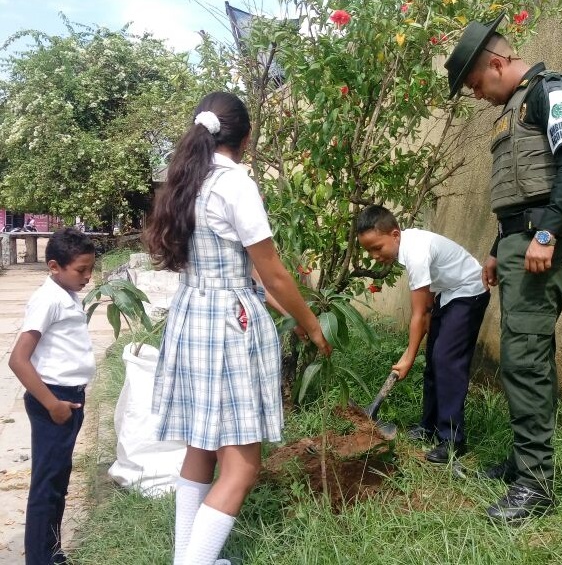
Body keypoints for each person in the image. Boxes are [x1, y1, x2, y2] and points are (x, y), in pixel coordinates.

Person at [144, 92, 331, 565]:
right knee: (243, 466)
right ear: (245, 137)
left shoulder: (187, 181)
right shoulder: (235, 184)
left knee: (201, 447)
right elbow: (273, 273)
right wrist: (310, 325)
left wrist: (282, 306)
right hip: (228, 324)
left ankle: (185, 558)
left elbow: (240, 270)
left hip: (191, 316)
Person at [444, 13, 562, 523]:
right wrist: (497, 245)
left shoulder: (551, 93)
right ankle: (524, 462)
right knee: (523, 358)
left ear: (497, 62)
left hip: (542, 247)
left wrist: (548, 233)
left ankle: (536, 484)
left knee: (523, 361)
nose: (476, 94)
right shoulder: (515, 108)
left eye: (474, 83)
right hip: (520, 245)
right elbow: (519, 193)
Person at [356, 205, 490, 463]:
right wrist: (427, 326)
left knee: (446, 362)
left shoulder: (415, 252)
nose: (374, 256)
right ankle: (429, 427)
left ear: (395, 234)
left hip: (469, 291)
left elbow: (416, 314)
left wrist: (408, 356)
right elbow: (425, 303)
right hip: (448, 293)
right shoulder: (409, 247)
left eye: (377, 247)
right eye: (368, 250)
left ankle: (452, 442)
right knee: (434, 361)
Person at [8, 228, 96, 564]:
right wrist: (52, 405)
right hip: (54, 400)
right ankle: (40, 559)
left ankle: (51, 551)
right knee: (46, 486)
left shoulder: (66, 294)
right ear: (55, 266)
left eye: (90, 269)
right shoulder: (48, 299)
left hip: (68, 398)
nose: (87, 277)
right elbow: (18, 359)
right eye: (81, 270)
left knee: (58, 480)